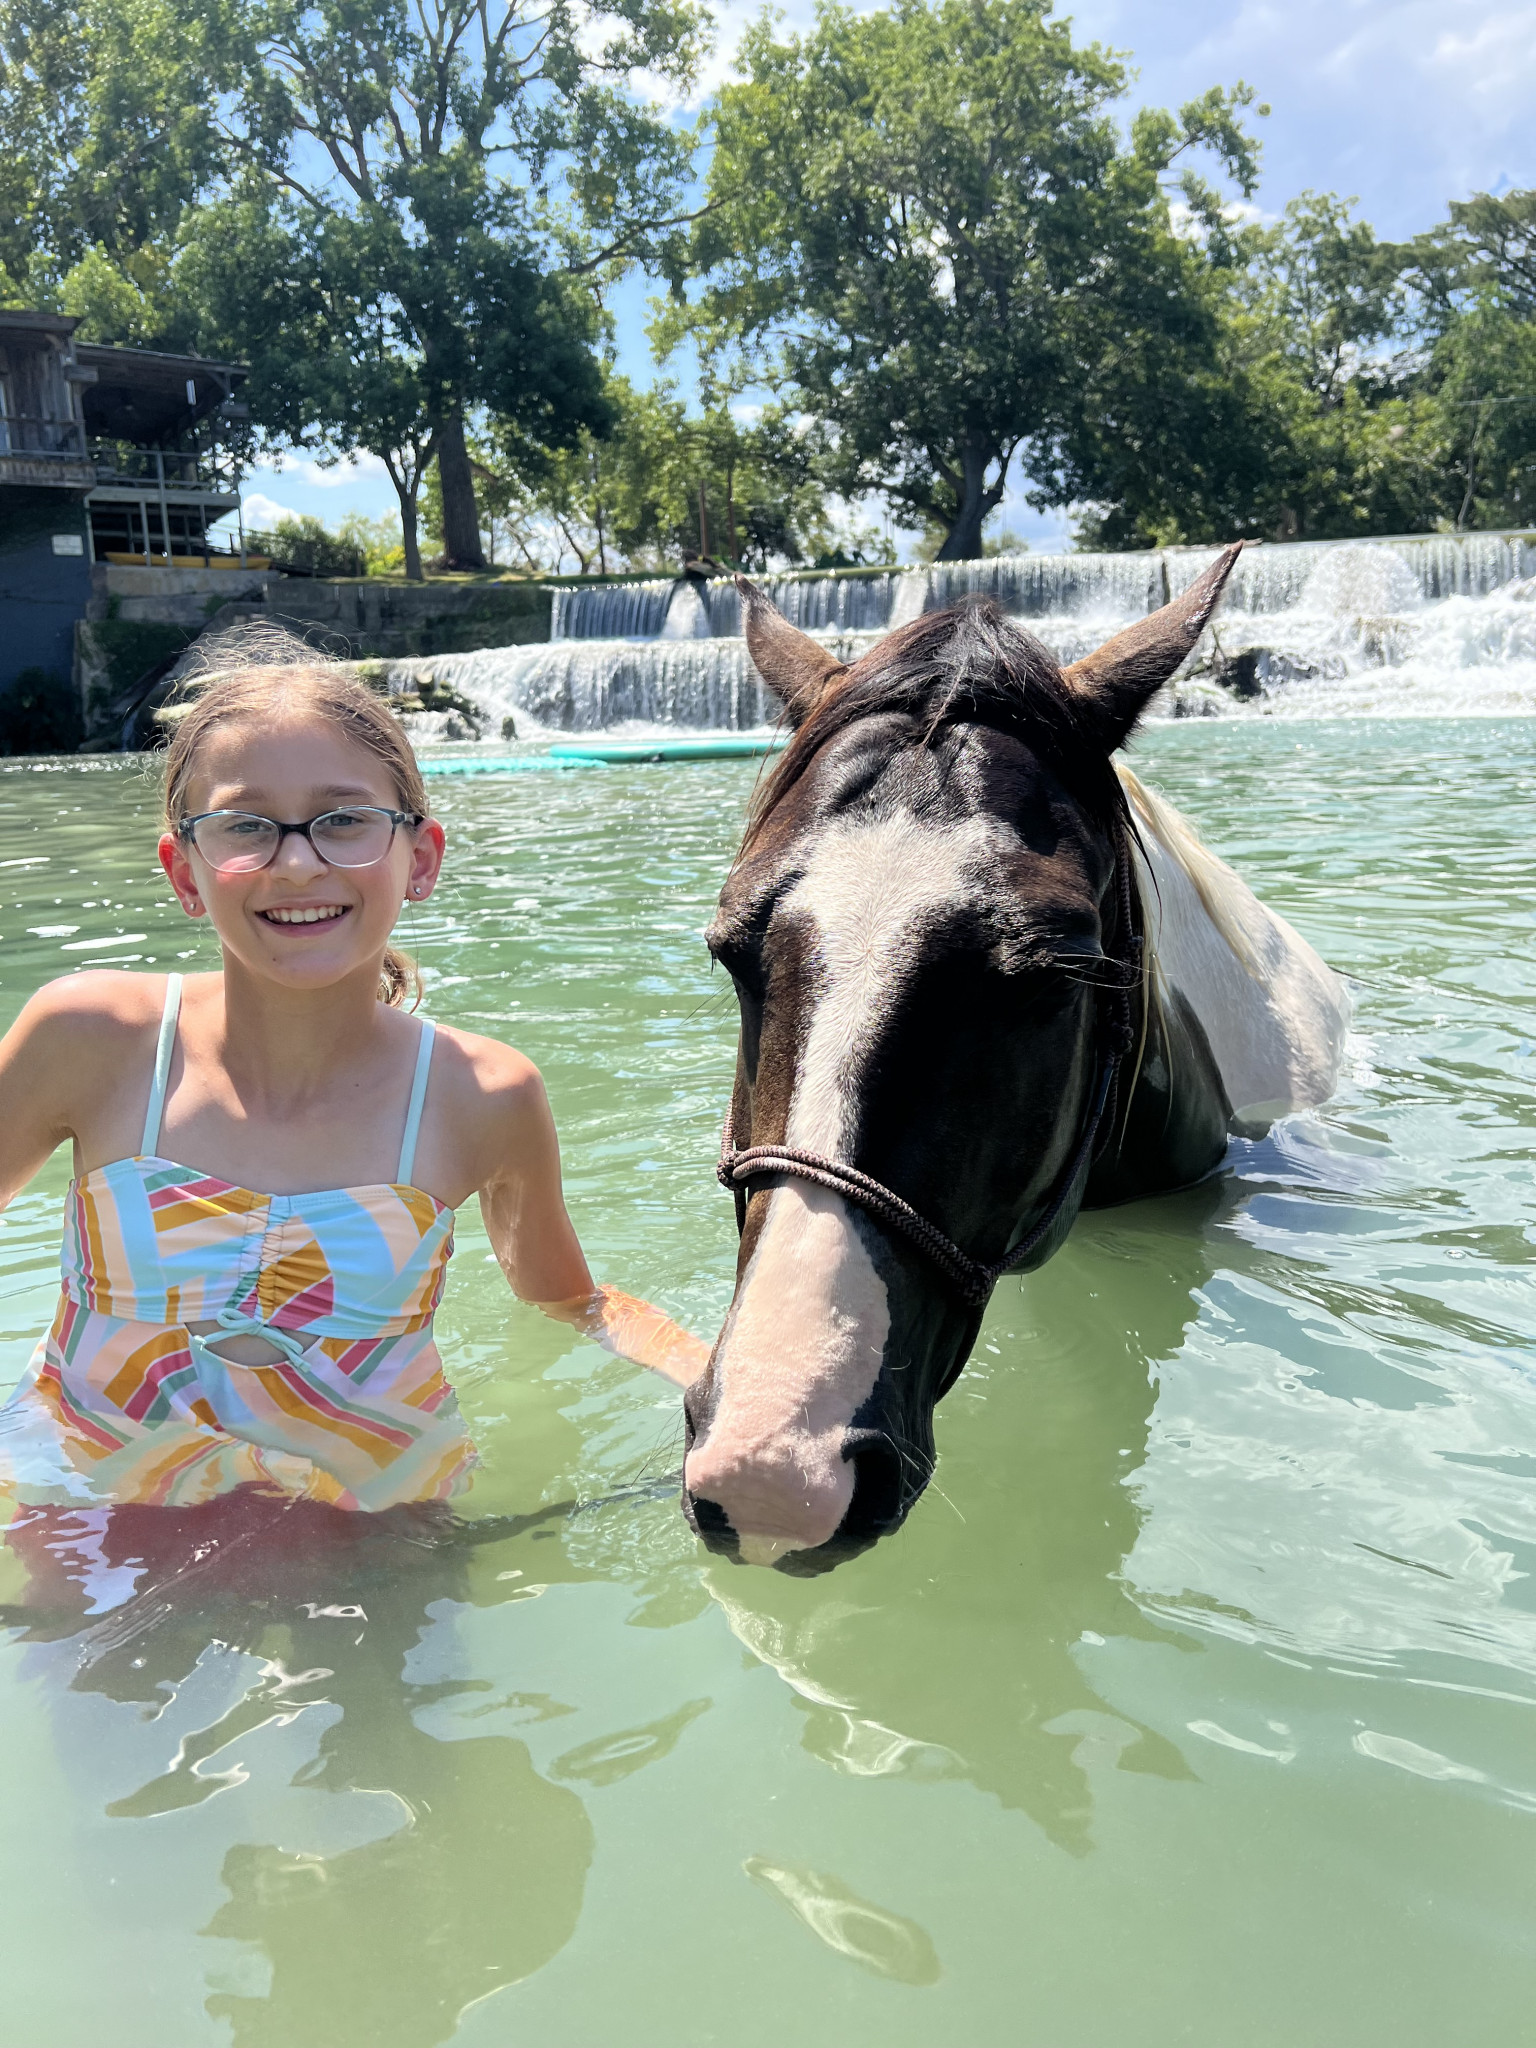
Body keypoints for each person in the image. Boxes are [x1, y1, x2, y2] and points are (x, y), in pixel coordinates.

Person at [0, 661, 708, 1513]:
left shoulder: (481, 1095)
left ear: (421, 858)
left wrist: (725, 1377)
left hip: (375, 1522)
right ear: (185, 871)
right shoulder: (91, 1040)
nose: (298, 863)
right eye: (245, 825)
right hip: (89, 1504)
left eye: (344, 820)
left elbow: (570, 1301)